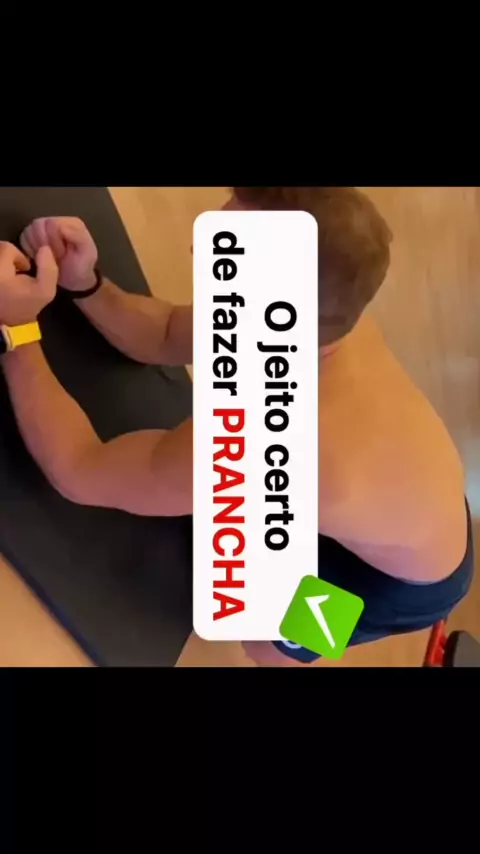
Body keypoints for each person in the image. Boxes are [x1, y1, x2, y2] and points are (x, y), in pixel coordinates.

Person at [0, 188, 473, 667]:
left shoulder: (280, 443)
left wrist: (15, 329)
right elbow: (165, 333)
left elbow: (79, 470)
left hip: (397, 586)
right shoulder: (322, 313)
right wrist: (87, 284)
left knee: (263, 645)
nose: (195, 247)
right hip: (394, 502)